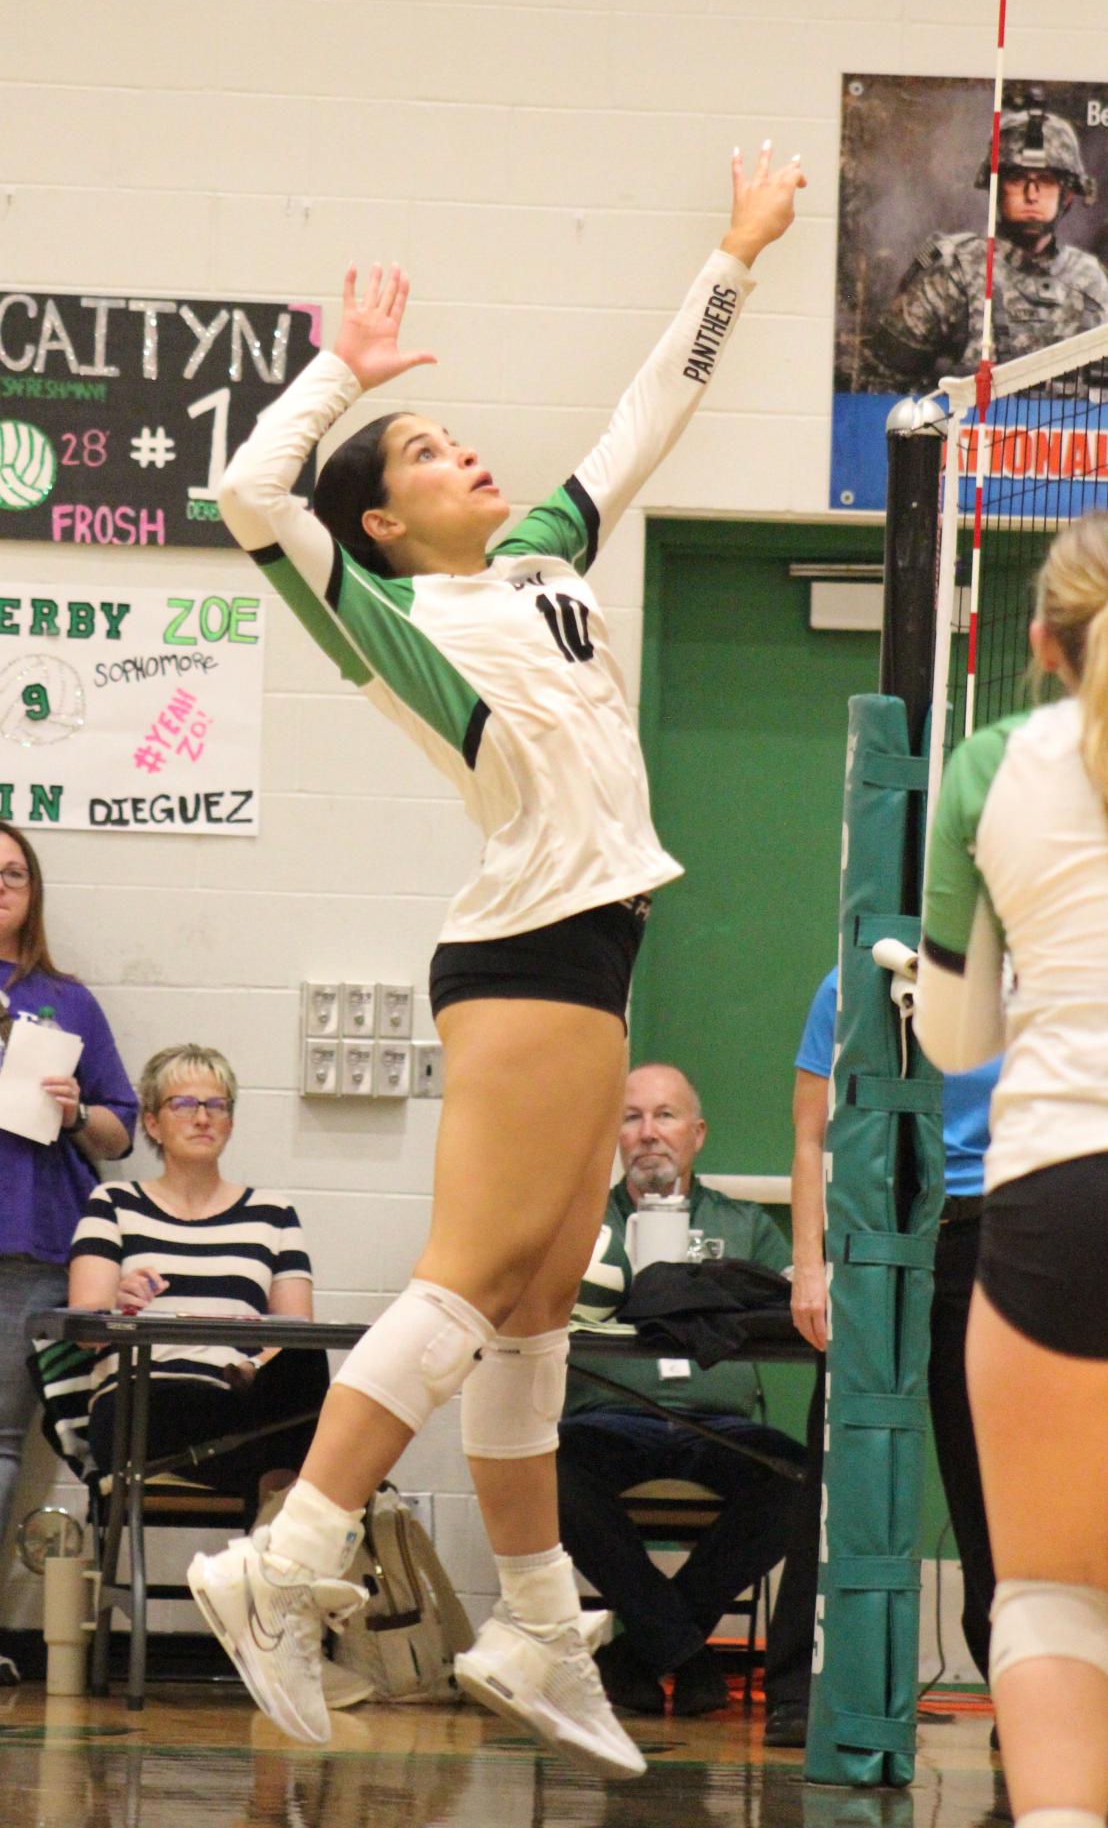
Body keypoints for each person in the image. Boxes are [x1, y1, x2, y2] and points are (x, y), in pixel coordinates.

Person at [186, 141, 806, 1780]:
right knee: (472, 1286)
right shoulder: (398, 621)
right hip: (526, 954)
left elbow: (634, 424)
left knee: (533, 1311)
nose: (464, 449)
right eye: (424, 451)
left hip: (581, 954)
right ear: (383, 522)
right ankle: (289, 1557)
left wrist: (730, 259)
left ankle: (534, 1622)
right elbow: (248, 501)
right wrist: (339, 373)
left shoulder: (533, 558)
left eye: (453, 432)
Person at [914, 511, 1108, 1828]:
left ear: (1040, 643)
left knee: (1048, 1589)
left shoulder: (992, 762)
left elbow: (958, 1039)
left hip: (1059, 1186)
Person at [557, 1062, 806, 1719]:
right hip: (608, 1421)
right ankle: (686, 1652)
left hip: (721, 1426)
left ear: (696, 1132)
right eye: (631, 1116)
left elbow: (791, 1306)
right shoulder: (583, 1224)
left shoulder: (747, 1225)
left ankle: (640, 1650)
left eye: (664, 1115)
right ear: (614, 1134)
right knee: (544, 1472)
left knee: (802, 1481)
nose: (648, 1133)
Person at [790, 966, 1001, 1717]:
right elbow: (811, 1132)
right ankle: (802, 1691)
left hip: (989, 1237)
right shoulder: (848, 985)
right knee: (841, 1465)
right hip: (877, 1239)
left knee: (986, 1481)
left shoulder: (1033, 971)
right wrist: (810, 1266)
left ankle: (1016, 1692)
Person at [68, 1043, 330, 1524]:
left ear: (230, 1122)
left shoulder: (272, 1213)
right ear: (152, 1123)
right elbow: (84, 1326)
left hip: (233, 1406)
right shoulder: (114, 1203)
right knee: (177, 1398)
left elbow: (298, 1336)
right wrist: (116, 1300)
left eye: (216, 1105)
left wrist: (253, 1365)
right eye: (183, 1104)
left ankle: (273, 1536)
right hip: (140, 1408)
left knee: (306, 1362)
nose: (202, 1117)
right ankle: (277, 1542)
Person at [0, 825, 135, 1684]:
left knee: (3, 1443)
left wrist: (76, 1106)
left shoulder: (68, 1002)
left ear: (33, 890)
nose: (0, 883)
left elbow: (121, 1131)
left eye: (13, 871)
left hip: (33, 1244)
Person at [864, 105, 1108, 394]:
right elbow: (880, 385)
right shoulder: (956, 273)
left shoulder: (1091, 281)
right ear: (996, 187)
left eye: (1045, 181)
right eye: (1018, 179)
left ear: (1067, 194)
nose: (1032, 194)